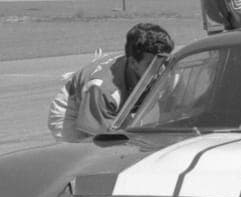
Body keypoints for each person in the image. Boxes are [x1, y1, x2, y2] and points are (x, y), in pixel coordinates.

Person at [47, 23, 175, 141]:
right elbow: (100, 136)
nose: (162, 69)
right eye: (152, 65)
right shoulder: (104, 89)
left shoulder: (165, 70)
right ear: (133, 63)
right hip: (73, 109)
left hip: (118, 100)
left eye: (165, 62)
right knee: (92, 149)